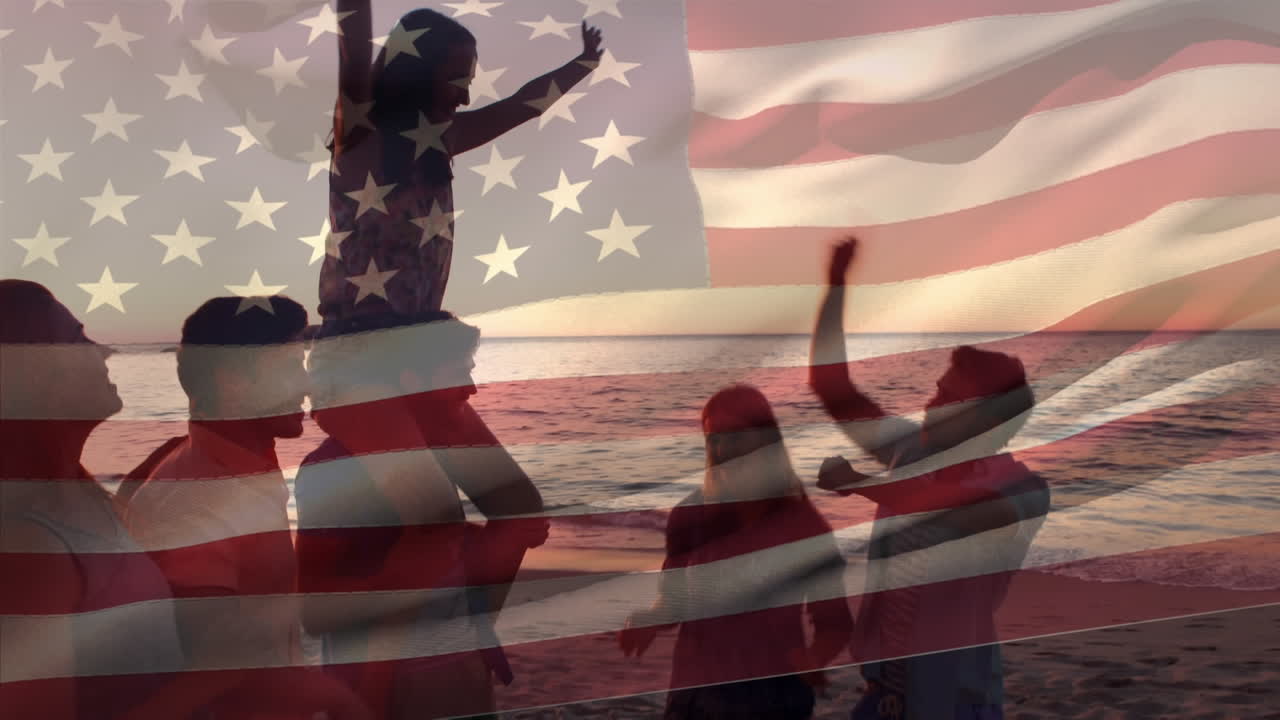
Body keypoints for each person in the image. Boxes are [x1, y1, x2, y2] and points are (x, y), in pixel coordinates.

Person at [808, 239, 1051, 720]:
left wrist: (860, 482)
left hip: (956, 698)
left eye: (947, 399)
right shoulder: (911, 452)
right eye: (937, 391)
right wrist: (835, 286)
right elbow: (832, 388)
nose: (930, 405)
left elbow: (956, 515)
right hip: (882, 695)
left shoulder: (1023, 488)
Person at [297, 311, 549, 719]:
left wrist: (488, 543)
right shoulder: (334, 468)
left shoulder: (437, 458)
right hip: (389, 689)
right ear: (412, 380)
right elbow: (316, 611)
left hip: (460, 667)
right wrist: (404, 575)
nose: (471, 388)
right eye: (460, 372)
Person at [124, 295, 366, 719]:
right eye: (289, 367)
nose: (307, 386)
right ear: (233, 382)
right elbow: (219, 664)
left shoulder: (239, 465)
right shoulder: (199, 498)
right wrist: (332, 698)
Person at [320, 3, 604, 329]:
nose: (465, 98)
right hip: (354, 350)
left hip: (413, 348)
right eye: (457, 80)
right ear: (415, 72)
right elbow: (354, 56)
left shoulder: (439, 141)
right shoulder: (361, 136)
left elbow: (524, 105)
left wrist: (585, 62)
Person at [0, 280, 184, 719]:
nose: (105, 351)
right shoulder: (27, 545)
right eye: (78, 339)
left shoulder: (80, 493)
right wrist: (218, 675)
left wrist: (134, 492)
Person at [618, 384, 854, 720]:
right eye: (713, 438)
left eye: (735, 436)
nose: (722, 448)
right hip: (695, 698)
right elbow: (674, 602)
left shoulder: (801, 525)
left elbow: (835, 623)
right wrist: (649, 620)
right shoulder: (689, 515)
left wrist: (814, 658)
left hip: (773, 701)